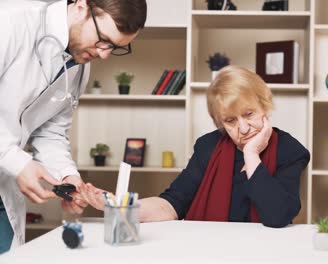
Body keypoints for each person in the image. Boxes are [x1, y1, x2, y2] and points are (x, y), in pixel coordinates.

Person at [0, 0, 146, 253]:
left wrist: (69, 178)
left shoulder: (80, 67)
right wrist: (16, 160)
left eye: (115, 48)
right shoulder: (11, 23)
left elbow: (50, 131)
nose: (104, 54)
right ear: (80, 6)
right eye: (104, 40)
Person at [84, 65, 310, 228]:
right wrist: (121, 207)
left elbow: (278, 216)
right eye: (230, 121)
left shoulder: (291, 151)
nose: (243, 128)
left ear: (265, 105)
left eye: (249, 114)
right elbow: (173, 203)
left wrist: (251, 155)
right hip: (208, 253)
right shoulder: (208, 146)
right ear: (220, 123)